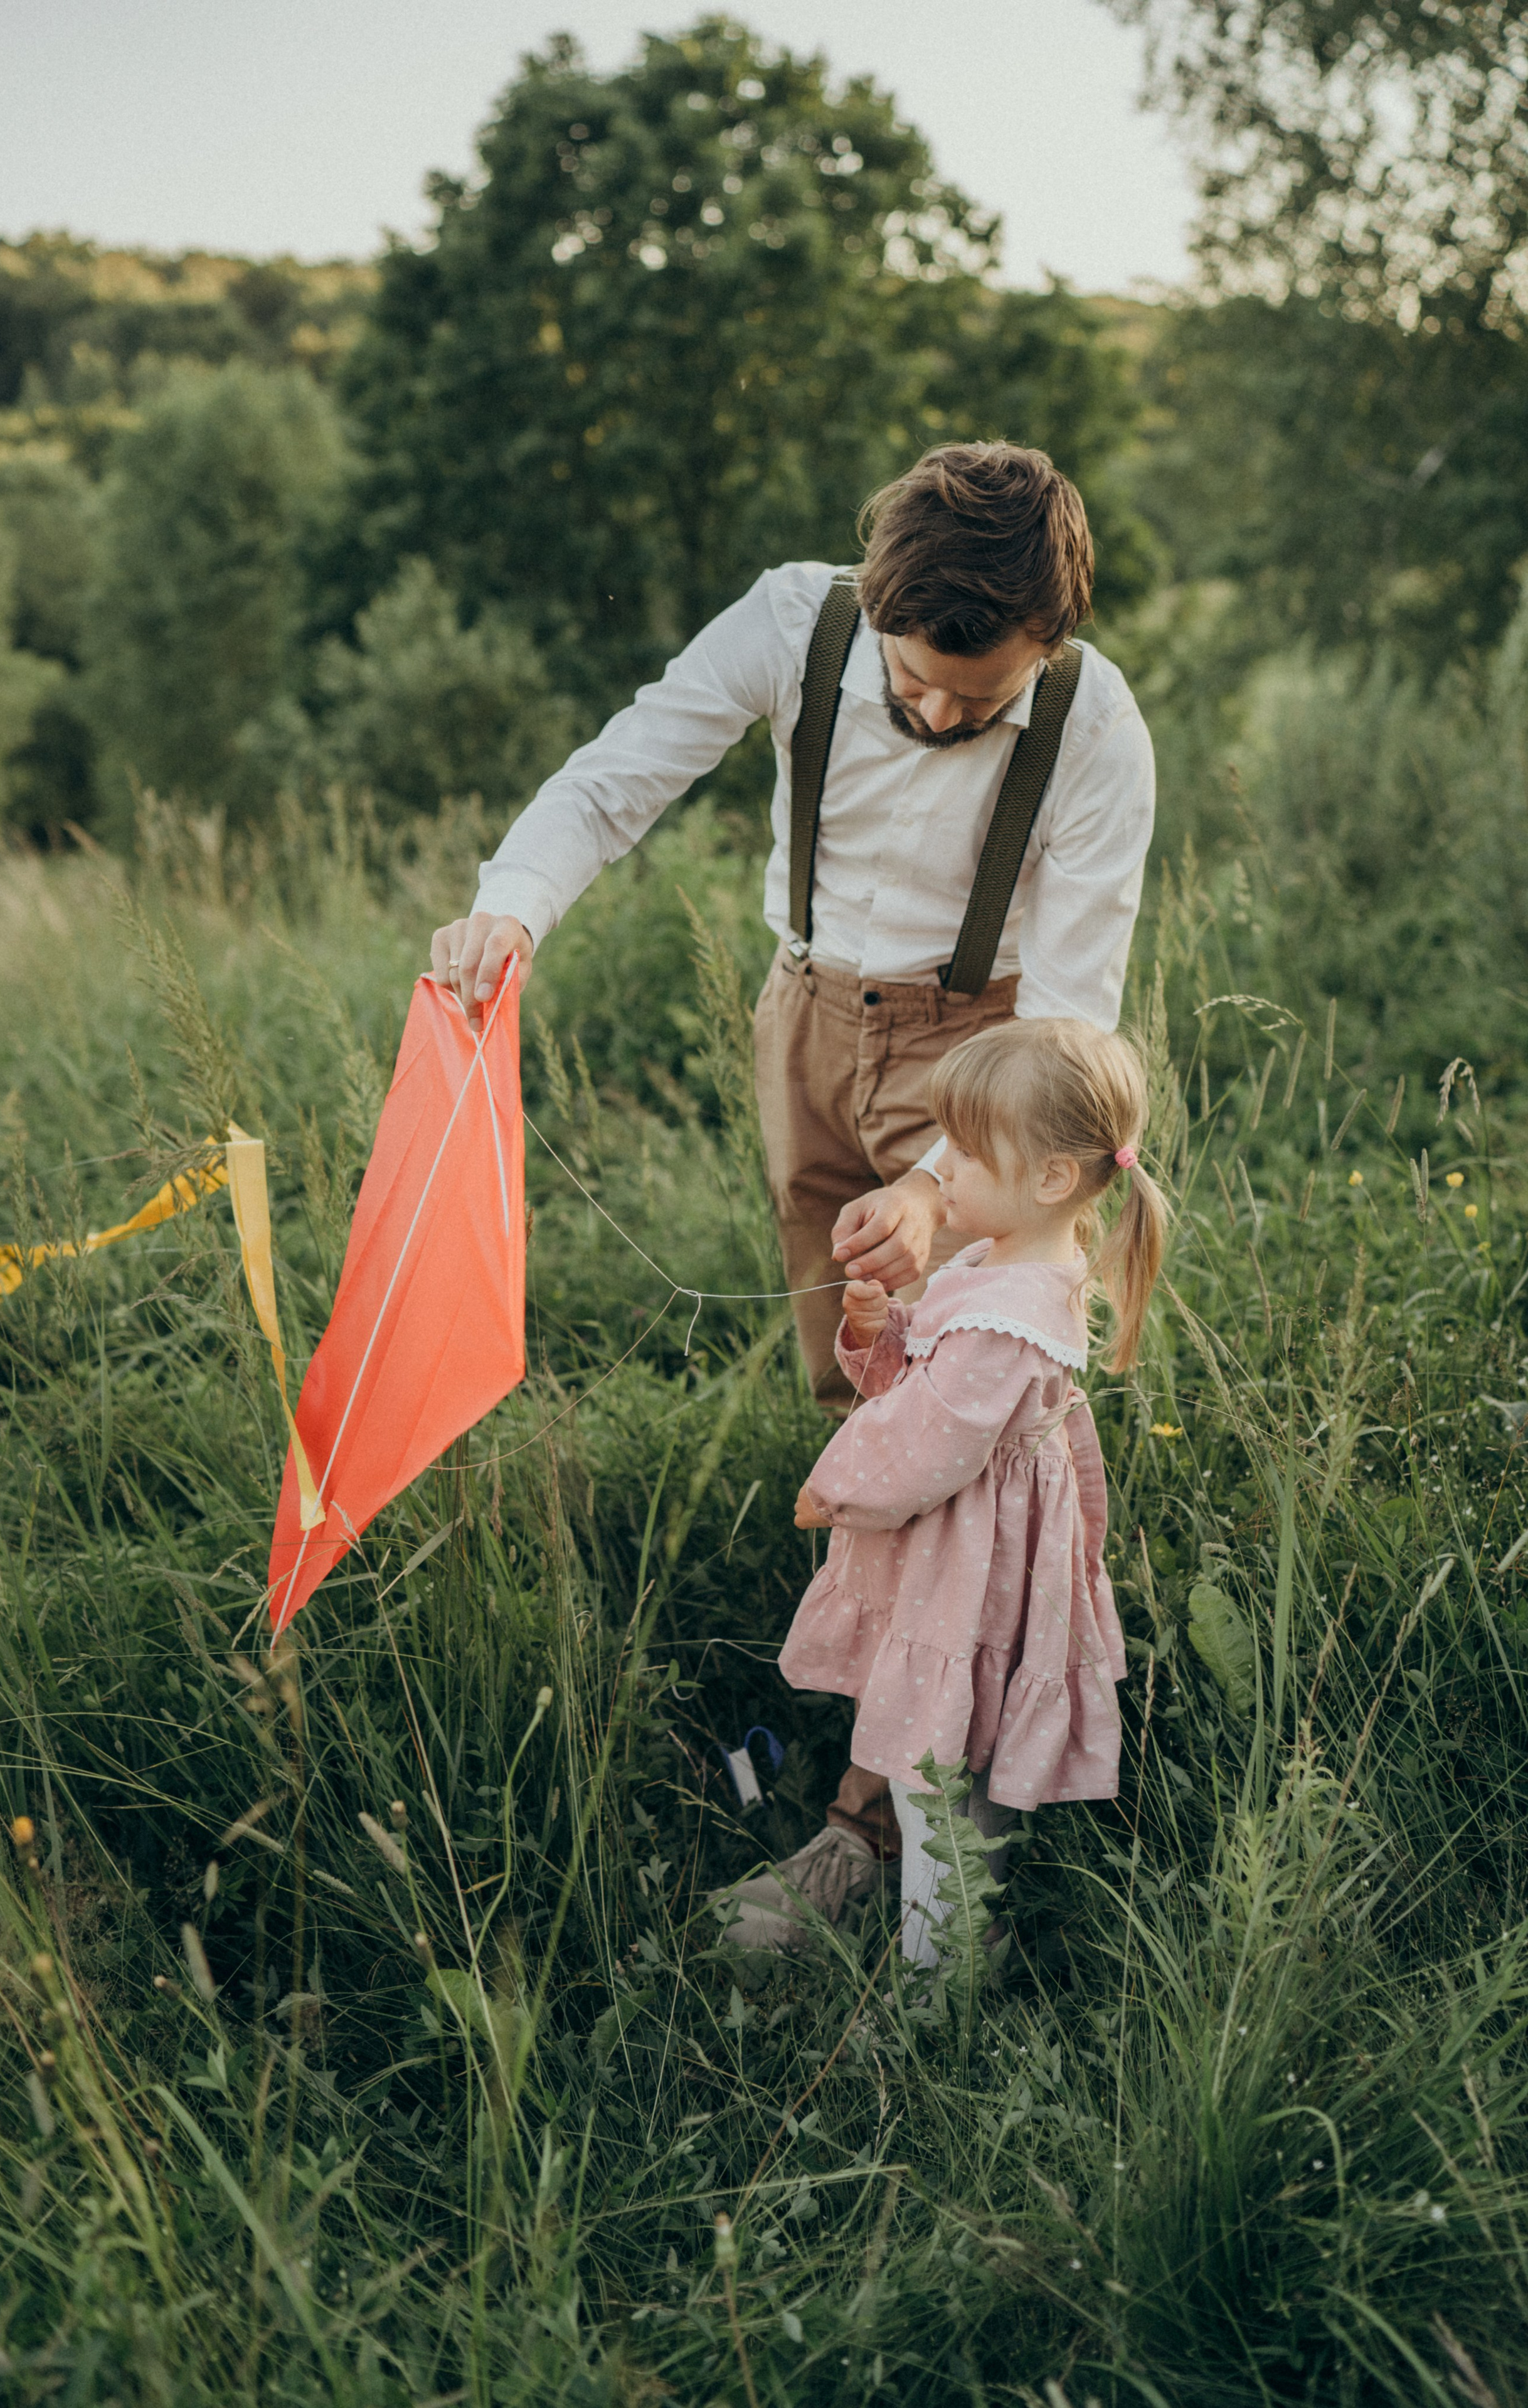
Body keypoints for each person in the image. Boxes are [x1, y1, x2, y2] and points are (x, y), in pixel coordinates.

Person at [431, 439, 1155, 1930]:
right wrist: (508, 911)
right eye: (915, 684)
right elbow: (612, 779)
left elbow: (1076, 1007)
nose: (943, 714)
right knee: (856, 1395)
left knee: (947, 1436)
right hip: (807, 1025)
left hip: (990, 1061)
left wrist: (947, 1192)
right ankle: (899, 1755)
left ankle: (871, 1836)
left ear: (1051, 642)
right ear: (872, 605)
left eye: (984, 696)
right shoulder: (789, 622)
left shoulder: (1094, 724)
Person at [723, 1018, 1167, 1960]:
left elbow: (932, 1441)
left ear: (1050, 1179)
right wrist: (883, 1330)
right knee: (963, 1758)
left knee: (937, 1770)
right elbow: (923, 1380)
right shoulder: (1006, 1262)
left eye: (966, 1153)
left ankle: (943, 1978)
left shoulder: (1010, 1315)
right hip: (978, 1554)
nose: (944, 1170)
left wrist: (832, 1487)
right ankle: (965, 1941)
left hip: (970, 1565)